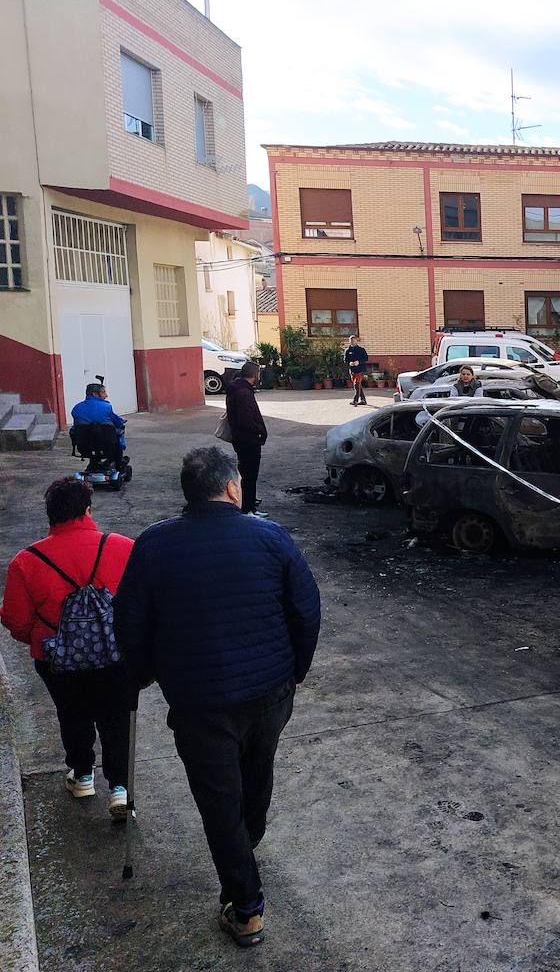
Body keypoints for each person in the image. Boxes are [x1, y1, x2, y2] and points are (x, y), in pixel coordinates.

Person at [114, 447, 321, 949]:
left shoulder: (153, 545)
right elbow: (306, 610)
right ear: (232, 488)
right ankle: (246, 850)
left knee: (219, 797)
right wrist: (296, 670)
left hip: (199, 700)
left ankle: (246, 904)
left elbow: (130, 624)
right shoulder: (270, 536)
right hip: (269, 691)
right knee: (257, 766)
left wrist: (142, 674)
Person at [1, 478, 135, 819]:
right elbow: (142, 603)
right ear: (87, 510)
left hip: (57, 659)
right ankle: (120, 789)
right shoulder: (121, 547)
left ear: (50, 517)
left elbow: (16, 621)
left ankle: (83, 774)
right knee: (116, 716)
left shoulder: (25, 562)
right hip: (114, 654)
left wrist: (45, 638)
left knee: (72, 712)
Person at [225, 362, 268, 517]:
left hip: (241, 438)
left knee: (246, 473)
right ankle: (248, 509)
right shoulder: (244, 393)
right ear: (255, 375)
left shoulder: (237, 389)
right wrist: (259, 431)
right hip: (248, 439)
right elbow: (245, 419)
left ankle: (248, 505)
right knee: (250, 475)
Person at [71, 382, 127, 450]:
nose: (106, 395)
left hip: (84, 445)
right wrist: (121, 421)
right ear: (95, 394)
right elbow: (117, 422)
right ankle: (118, 457)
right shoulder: (106, 407)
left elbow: (76, 425)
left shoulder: (76, 408)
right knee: (120, 429)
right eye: (103, 393)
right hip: (107, 444)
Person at [344, 335, 369, 407]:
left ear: (356, 341)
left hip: (360, 370)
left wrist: (359, 362)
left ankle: (355, 400)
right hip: (352, 370)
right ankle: (363, 400)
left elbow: (366, 359)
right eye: (351, 340)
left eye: (354, 340)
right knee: (358, 385)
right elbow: (345, 360)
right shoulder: (347, 350)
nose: (352, 342)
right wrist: (350, 363)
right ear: (349, 341)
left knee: (356, 384)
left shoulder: (361, 349)